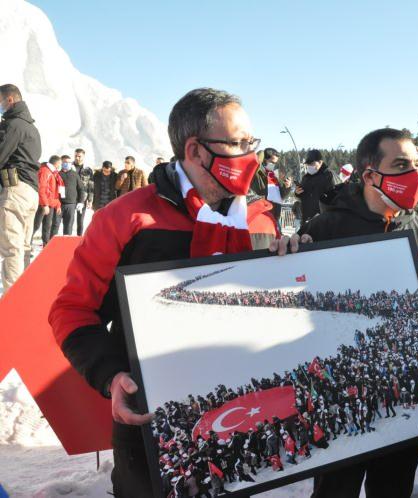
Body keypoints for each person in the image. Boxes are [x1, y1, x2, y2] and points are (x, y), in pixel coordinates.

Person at [48, 88, 306, 497]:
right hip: (154, 416)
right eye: (237, 143)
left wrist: (296, 264)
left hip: (243, 408)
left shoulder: (261, 218)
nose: (250, 154)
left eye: (250, 142)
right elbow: (72, 310)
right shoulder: (128, 217)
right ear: (196, 150)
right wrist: (113, 377)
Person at [300, 127, 418, 498]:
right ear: (369, 175)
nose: (414, 175)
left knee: (394, 488)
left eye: (416, 165)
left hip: (403, 395)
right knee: (335, 490)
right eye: (400, 165)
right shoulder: (326, 227)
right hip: (341, 392)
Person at [0, 83, 41, 290]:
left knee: (11, 249)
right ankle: (23, 295)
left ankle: (11, 301)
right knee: (24, 247)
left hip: (15, 191)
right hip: (31, 192)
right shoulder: (31, 127)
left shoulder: (13, 125)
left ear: (9, 100)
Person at [251, 147, 292, 220]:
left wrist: (287, 187)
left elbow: (282, 196)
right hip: (262, 213)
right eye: (272, 162)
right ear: (264, 159)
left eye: (275, 163)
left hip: (275, 214)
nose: (274, 164)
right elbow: (255, 161)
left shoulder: (275, 174)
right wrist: (262, 153)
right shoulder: (258, 172)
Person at [295, 149, 335, 223]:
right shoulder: (306, 177)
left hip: (322, 219)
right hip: (306, 218)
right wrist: (297, 192)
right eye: (308, 164)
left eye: (312, 164)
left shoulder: (328, 175)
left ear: (320, 162)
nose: (309, 166)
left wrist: (323, 213)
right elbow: (304, 195)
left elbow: (334, 197)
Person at [33, 155, 63, 246]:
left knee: (47, 226)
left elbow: (55, 192)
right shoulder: (45, 171)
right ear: (57, 163)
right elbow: (41, 188)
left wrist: (57, 205)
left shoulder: (54, 173)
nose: (61, 165)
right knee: (36, 225)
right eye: (60, 163)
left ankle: (46, 245)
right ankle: (27, 245)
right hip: (43, 204)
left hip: (50, 204)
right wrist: (45, 204)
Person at [58, 155, 85, 235]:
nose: (67, 164)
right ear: (61, 162)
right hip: (58, 204)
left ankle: (66, 244)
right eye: (65, 162)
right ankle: (50, 244)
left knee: (68, 226)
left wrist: (81, 202)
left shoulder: (75, 174)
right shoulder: (57, 174)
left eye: (69, 162)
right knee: (55, 225)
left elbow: (81, 189)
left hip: (71, 205)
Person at [72, 148, 93, 236]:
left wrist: (90, 199)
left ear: (83, 157)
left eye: (79, 156)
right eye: (76, 156)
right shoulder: (70, 167)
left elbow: (91, 185)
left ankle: (79, 238)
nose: (77, 158)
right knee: (69, 220)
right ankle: (67, 239)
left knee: (80, 221)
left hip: (82, 198)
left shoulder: (88, 169)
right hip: (71, 197)